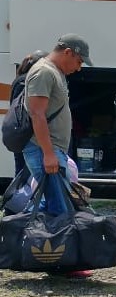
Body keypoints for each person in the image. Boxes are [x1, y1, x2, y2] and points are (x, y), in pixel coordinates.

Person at [23, 34, 93, 278]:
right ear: (68, 53)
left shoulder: (56, 73)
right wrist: (48, 153)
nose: (79, 67)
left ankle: (49, 257)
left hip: (53, 150)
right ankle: (62, 263)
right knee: (59, 206)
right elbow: (37, 114)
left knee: (52, 204)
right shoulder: (44, 72)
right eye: (79, 61)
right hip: (44, 149)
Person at [10, 50, 48, 176]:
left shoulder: (19, 79)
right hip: (27, 134)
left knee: (21, 170)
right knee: (27, 173)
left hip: (19, 132)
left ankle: (19, 194)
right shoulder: (27, 81)